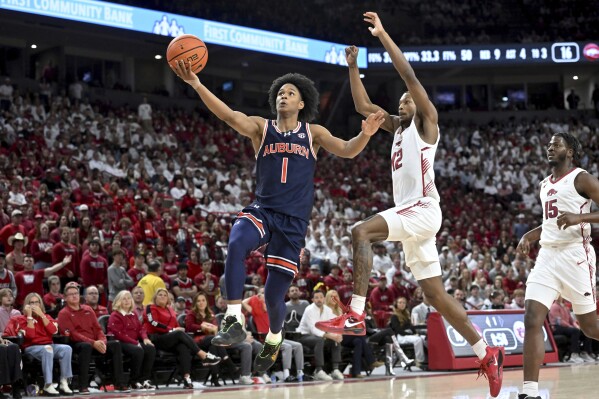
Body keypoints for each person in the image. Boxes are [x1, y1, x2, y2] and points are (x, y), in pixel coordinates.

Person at [315, 12, 503, 398]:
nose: (402, 104)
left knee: (360, 231)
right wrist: (353, 68)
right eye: (400, 102)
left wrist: (382, 35)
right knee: (434, 295)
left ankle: (356, 313)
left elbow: (410, 78)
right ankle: (487, 352)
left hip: (423, 209)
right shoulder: (398, 130)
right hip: (414, 216)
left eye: (406, 102)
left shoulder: (427, 124)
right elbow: (363, 105)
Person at [170, 55, 385, 374]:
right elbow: (229, 116)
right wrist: (197, 83)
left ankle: (273, 338)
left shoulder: (313, 133)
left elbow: (348, 149)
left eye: (290, 93)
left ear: (301, 103)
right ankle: (233, 320)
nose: (283, 95)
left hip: (293, 224)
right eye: (280, 92)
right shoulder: (261, 127)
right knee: (236, 243)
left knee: (273, 293)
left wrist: (365, 134)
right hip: (264, 210)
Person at [517, 132, 599, 399]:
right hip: (547, 257)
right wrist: (530, 235)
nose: (550, 148)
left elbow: (574, 218)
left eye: (556, 145)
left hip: (576, 256)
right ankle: (529, 392)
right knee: (531, 318)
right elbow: (550, 224)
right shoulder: (544, 184)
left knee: (588, 327)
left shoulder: (581, 178)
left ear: (570, 151)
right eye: (549, 145)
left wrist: (580, 217)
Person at [57, 282, 130, 394]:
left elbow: (98, 329)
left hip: (94, 342)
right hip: (77, 344)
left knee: (115, 344)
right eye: (71, 294)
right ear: (65, 298)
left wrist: (102, 341)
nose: (74, 296)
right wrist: (93, 343)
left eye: (76, 293)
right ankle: (83, 386)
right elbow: (73, 334)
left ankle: (119, 384)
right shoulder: (63, 313)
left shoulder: (88, 309)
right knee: (85, 347)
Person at [144, 288, 221, 389]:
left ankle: (186, 378)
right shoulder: (150, 307)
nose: (163, 296)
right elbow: (153, 323)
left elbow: (175, 325)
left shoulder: (170, 310)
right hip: (156, 338)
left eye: (165, 295)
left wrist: (177, 329)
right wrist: (173, 329)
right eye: (160, 295)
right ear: (155, 297)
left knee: (183, 346)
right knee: (179, 334)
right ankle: (202, 354)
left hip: (169, 339)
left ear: (168, 299)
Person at [5, 293, 73, 396]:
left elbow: (53, 330)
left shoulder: (47, 317)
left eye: (36, 302)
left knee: (66, 348)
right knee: (48, 348)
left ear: (40, 304)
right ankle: (48, 385)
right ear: (26, 305)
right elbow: (30, 336)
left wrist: (41, 315)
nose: (34, 305)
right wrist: (29, 317)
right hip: (31, 348)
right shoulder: (19, 319)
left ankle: (64, 382)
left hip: (49, 345)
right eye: (31, 303)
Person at [325, 290, 383, 378]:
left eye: (336, 296)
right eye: (332, 297)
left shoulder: (340, 309)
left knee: (358, 342)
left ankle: (356, 371)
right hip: (332, 336)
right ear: (328, 298)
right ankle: (371, 361)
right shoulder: (326, 310)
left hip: (343, 335)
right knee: (360, 335)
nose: (334, 299)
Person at [107, 290, 156, 391]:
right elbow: (118, 334)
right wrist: (136, 343)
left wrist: (145, 338)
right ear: (118, 301)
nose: (127, 301)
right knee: (138, 350)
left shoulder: (133, 314)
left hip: (133, 342)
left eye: (129, 298)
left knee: (150, 349)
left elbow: (140, 328)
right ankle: (133, 381)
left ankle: (144, 379)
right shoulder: (115, 315)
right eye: (124, 299)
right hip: (119, 343)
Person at [184, 292, 237, 386]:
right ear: (195, 303)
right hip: (196, 341)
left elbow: (215, 326)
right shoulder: (191, 313)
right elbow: (189, 327)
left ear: (206, 302)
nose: (201, 303)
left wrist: (213, 328)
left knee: (213, 347)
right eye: (198, 301)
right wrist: (202, 327)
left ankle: (215, 377)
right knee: (214, 339)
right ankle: (228, 362)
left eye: (203, 300)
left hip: (210, 341)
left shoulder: (210, 313)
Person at [297, 290, 343, 381]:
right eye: (316, 298)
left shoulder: (328, 310)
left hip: (320, 336)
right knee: (320, 340)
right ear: (312, 299)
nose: (319, 300)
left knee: (335, 339)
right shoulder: (309, 309)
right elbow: (314, 329)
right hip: (304, 336)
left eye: (321, 297)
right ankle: (318, 371)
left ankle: (335, 369)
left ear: (324, 299)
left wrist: (337, 335)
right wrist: (331, 336)